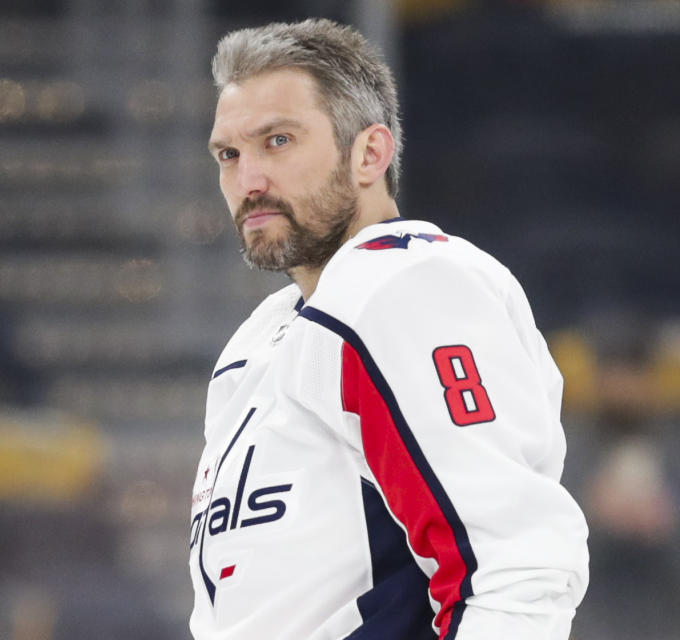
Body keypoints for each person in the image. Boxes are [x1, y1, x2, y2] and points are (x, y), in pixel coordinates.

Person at [188, 19, 589, 640]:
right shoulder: (260, 337)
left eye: (278, 141)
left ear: (370, 153)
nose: (249, 181)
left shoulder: (405, 284)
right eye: (229, 154)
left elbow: (512, 569)